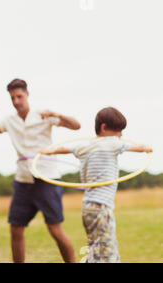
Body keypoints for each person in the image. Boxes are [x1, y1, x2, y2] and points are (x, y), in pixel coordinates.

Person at [0, 78, 79, 263]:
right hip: (23, 180)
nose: (16, 101)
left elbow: (76, 125)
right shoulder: (9, 121)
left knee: (55, 230)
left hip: (47, 179)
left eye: (19, 96)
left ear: (27, 94)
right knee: (15, 228)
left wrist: (56, 114)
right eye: (12, 98)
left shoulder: (43, 114)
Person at [40, 107, 152, 263]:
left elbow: (64, 149)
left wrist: (47, 151)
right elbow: (139, 148)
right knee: (108, 250)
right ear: (104, 127)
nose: (121, 135)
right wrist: (146, 148)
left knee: (94, 247)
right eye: (118, 131)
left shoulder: (85, 146)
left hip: (88, 207)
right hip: (102, 207)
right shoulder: (112, 142)